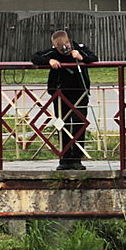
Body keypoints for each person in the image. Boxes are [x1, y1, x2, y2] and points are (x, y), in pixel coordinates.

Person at [31, 30, 98, 170]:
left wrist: (81, 57)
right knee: (62, 124)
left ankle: (77, 157)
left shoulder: (79, 47)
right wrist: (49, 61)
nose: (65, 50)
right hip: (60, 94)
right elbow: (35, 57)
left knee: (79, 123)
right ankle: (65, 157)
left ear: (69, 42)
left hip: (79, 92)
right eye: (60, 49)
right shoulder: (53, 53)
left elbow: (94, 57)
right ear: (55, 46)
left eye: (66, 46)